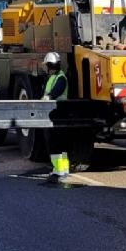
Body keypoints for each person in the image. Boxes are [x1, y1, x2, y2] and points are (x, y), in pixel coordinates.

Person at [41, 52, 69, 183]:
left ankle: (58, 172)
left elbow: (55, 92)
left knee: (55, 144)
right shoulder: (54, 77)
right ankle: (63, 171)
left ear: (49, 65)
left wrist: (47, 98)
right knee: (61, 144)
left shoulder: (60, 78)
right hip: (57, 114)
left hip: (56, 114)